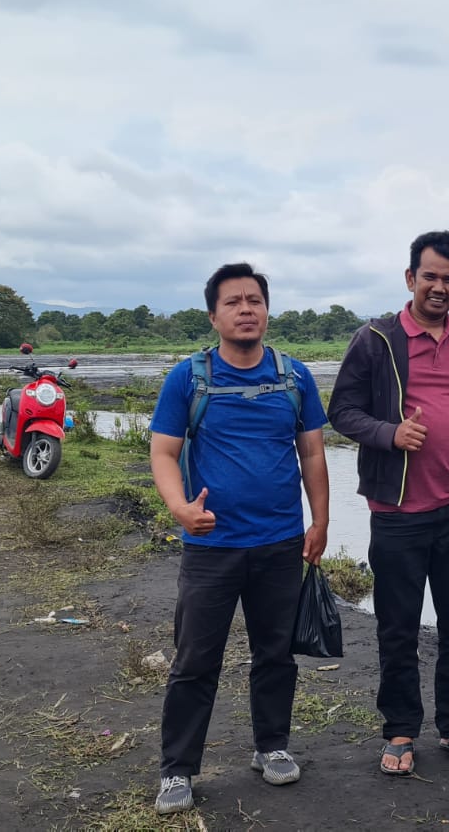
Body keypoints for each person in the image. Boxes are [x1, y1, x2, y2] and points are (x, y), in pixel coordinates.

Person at [146, 263, 330, 815]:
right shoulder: (189, 377)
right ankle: (177, 769)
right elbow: (163, 452)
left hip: (278, 544)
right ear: (214, 315)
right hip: (210, 549)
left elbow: (314, 453)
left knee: (276, 655)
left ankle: (271, 747)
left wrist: (319, 522)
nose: (246, 309)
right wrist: (180, 508)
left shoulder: (294, 376)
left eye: (255, 300)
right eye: (233, 302)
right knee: (195, 660)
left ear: (267, 310)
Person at [328, 230, 449, 776]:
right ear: (410, 278)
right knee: (398, 626)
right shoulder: (376, 339)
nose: (439, 286)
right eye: (430, 276)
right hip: (397, 512)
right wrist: (388, 434)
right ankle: (401, 729)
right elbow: (342, 410)